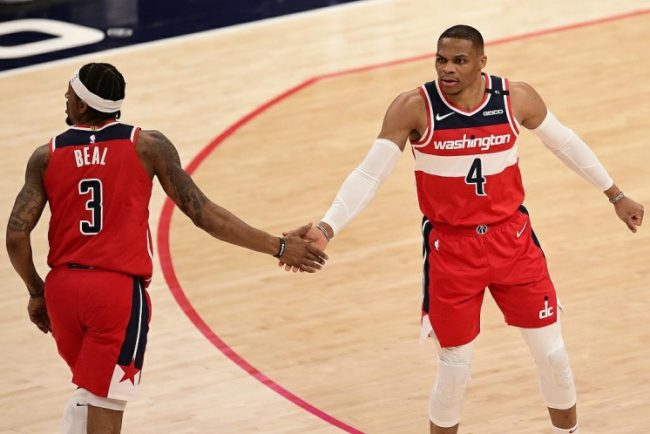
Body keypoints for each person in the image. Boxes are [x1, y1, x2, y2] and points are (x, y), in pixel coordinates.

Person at [284, 25, 644, 433]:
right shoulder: (413, 107)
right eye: (441, 60)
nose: (447, 69)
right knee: (455, 368)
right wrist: (328, 227)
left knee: (553, 354)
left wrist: (615, 194)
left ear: (482, 62)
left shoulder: (516, 98)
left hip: (513, 241)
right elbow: (370, 174)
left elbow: (564, 143)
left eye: (459, 61)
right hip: (451, 251)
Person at [5, 62, 328, 434]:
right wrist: (279, 246)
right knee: (105, 403)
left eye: (68, 96)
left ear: (81, 105)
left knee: (89, 391)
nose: (65, 101)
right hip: (114, 295)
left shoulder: (45, 156)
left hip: (63, 291)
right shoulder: (147, 145)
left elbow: (16, 236)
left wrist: (37, 291)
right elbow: (205, 215)